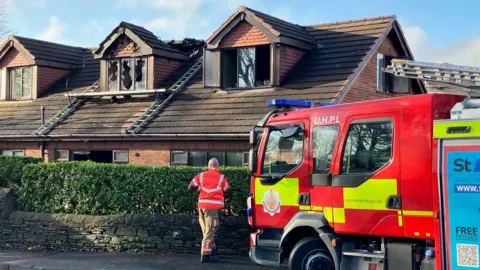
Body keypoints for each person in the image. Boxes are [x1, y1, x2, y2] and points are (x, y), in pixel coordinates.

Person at [188, 158, 230, 263]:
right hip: (212, 208)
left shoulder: (201, 176)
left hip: (201, 207)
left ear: (208, 165)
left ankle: (212, 251)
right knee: (211, 230)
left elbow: (190, 187)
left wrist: (199, 189)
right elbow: (227, 189)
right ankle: (206, 255)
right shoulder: (221, 178)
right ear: (217, 166)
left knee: (207, 231)